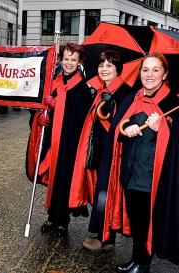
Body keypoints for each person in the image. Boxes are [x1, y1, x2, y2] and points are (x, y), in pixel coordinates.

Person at [97, 53, 179, 272]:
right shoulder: (132, 98)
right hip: (130, 171)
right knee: (136, 220)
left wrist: (161, 128)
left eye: (155, 70)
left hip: (154, 176)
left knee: (146, 222)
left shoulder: (173, 103)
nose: (149, 74)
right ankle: (137, 258)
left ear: (165, 74)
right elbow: (117, 129)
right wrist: (126, 129)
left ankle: (143, 264)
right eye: (145, 70)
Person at [68, 50, 133, 251]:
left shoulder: (124, 92)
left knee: (106, 194)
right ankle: (102, 235)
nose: (104, 69)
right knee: (100, 193)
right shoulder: (102, 91)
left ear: (117, 69)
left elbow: (122, 124)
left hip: (111, 153)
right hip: (98, 150)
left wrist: (111, 106)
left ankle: (106, 239)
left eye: (109, 65)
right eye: (101, 65)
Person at [27, 43, 93, 236]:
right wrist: (41, 117)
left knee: (64, 180)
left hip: (69, 144)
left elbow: (80, 119)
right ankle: (52, 217)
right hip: (52, 141)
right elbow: (39, 107)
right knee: (54, 181)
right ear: (60, 60)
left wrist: (56, 105)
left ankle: (62, 222)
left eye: (73, 59)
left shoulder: (81, 88)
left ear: (79, 61)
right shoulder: (54, 81)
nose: (69, 63)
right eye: (66, 59)